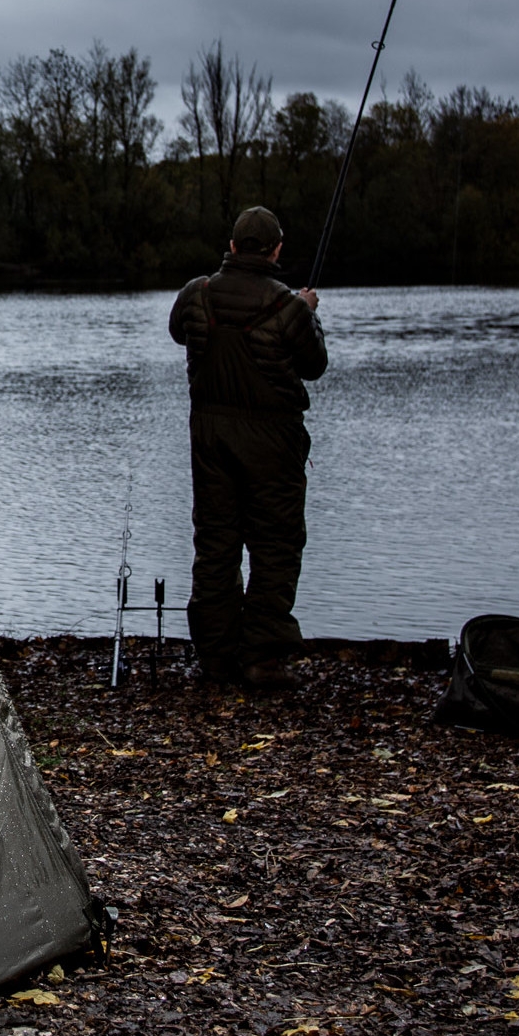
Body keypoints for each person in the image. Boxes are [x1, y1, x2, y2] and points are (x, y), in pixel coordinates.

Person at [167, 205, 326, 692]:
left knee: (215, 545)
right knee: (275, 547)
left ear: (233, 246)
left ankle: (216, 659)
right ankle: (261, 659)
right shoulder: (290, 308)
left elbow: (178, 332)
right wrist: (310, 314)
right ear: (276, 250)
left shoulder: (198, 294)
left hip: (210, 438)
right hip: (272, 444)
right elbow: (314, 366)